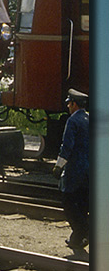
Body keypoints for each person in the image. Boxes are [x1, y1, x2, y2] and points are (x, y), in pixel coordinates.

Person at [54, 89, 89, 252]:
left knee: (68, 202)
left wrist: (58, 166)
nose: (68, 106)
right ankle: (76, 239)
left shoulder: (73, 121)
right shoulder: (90, 119)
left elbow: (67, 146)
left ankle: (84, 230)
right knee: (82, 203)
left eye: (69, 103)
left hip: (76, 169)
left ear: (74, 104)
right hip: (90, 170)